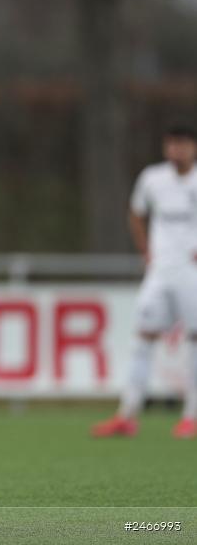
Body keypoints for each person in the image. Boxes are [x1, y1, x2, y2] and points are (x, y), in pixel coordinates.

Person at [92, 126, 197, 439]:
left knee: (195, 340)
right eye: (171, 144)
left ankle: (191, 416)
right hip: (161, 270)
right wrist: (145, 250)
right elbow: (136, 213)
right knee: (143, 336)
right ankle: (128, 413)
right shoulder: (153, 178)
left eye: (182, 144)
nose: (175, 150)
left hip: (192, 273)